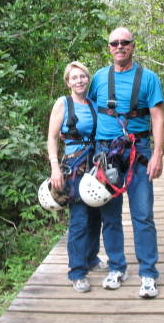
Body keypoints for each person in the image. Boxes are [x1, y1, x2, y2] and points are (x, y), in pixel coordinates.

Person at [88, 27, 164, 298]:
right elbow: (88, 112)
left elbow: (157, 116)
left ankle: (148, 273)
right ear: (109, 47)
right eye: (114, 43)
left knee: (143, 214)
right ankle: (117, 267)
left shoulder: (149, 78)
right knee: (109, 215)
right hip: (105, 154)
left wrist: (158, 153)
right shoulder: (98, 78)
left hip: (138, 151)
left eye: (125, 42)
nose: (119, 46)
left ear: (132, 46)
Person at [47, 61, 107, 293]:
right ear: (67, 82)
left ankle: (91, 258)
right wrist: (54, 167)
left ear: (87, 79)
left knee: (96, 215)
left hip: (94, 163)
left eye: (82, 76)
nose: (79, 80)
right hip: (73, 165)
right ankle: (77, 270)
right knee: (80, 218)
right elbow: (52, 138)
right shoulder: (63, 103)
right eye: (74, 77)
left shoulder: (93, 104)